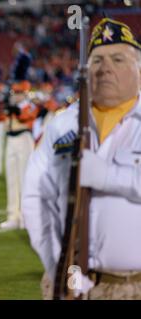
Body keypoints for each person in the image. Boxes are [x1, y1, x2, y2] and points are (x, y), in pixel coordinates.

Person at [22, 18, 141, 300]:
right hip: (69, 282)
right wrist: (55, 264)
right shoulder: (63, 123)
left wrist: (108, 177)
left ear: (139, 67)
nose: (106, 68)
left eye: (118, 58)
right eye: (97, 60)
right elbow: (35, 195)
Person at [0, 49, 38, 230]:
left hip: (24, 139)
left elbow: (27, 119)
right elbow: (4, 123)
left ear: (23, 91)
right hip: (11, 140)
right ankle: (13, 215)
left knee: (24, 178)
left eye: (17, 92)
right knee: (12, 178)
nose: (14, 95)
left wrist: (14, 109)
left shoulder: (29, 105)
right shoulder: (11, 105)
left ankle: (26, 216)